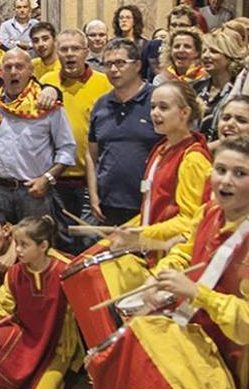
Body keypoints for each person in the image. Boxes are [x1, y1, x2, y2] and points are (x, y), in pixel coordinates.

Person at [144, 135, 249, 389]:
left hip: (236, 359)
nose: (225, 181)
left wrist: (196, 293)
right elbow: (185, 252)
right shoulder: (209, 211)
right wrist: (160, 275)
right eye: (221, 169)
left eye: (240, 173)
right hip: (197, 341)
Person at [0, 216, 82, 389]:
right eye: (16, 244)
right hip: (28, 337)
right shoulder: (14, 273)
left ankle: (68, 372)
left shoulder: (65, 270)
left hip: (58, 346)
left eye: (24, 245)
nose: (18, 250)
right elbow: (1, 306)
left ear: (43, 246)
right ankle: (30, 372)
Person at [0, 48, 77, 223]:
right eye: (8, 67)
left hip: (33, 192)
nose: (13, 72)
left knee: (35, 246)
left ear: (30, 71)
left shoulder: (46, 104)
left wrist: (47, 179)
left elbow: (67, 149)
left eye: (19, 66)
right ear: (1, 72)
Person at [40, 30, 112, 246]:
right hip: (55, 179)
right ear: (57, 53)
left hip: (90, 180)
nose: (69, 54)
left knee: (90, 240)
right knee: (61, 240)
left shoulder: (105, 83)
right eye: (64, 49)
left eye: (75, 49)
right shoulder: (46, 81)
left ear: (86, 52)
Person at [123, 81, 211, 243]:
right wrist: (129, 228)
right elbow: (151, 207)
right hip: (150, 245)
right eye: (153, 107)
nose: (154, 113)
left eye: (163, 108)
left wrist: (144, 233)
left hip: (170, 252)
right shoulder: (160, 149)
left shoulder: (193, 158)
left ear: (184, 112)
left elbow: (189, 220)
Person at [88, 39, 162, 226]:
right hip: (109, 204)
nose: (113, 69)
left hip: (150, 203)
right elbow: (92, 155)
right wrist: (94, 194)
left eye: (120, 63)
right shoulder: (101, 104)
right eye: (108, 64)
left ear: (137, 65)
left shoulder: (158, 100)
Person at [195, 29, 245, 138]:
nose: (206, 56)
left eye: (213, 51)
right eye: (204, 51)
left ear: (229, 56)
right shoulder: (195, 87)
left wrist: (205, 149)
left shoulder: (240, 89)